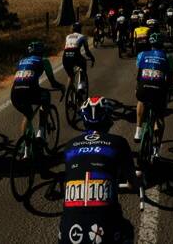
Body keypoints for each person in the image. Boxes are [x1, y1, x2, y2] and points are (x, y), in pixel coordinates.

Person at [59, 96, 139, 244]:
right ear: (108, 119)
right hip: (104, 232)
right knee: (127, 229)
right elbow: (133, 184)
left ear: (84, 120)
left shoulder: (69, 145)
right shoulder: (119, 142)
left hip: (68, 234)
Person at [12, 41, 65, 137]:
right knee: (46, 96)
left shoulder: (21, 61)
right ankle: (41, 131)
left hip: (15, 93)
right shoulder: (43, 61)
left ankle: (25, 144)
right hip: (30, 90)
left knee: (28, 115)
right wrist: (61, 87)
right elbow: (53, 83)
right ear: (41, 51)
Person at [133, 33, 173, 143]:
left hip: (143, 87)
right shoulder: (168, 57)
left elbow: (139, 74)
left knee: (141, 101)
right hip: (159, 90)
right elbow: (170, 79)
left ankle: (138, 131)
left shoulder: (141, 54)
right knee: (159, 116)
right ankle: (157, 145)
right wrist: (168, 93)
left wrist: (137, 88)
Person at [63, 22, 96, 93]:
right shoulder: (82, 37)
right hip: (75, 55)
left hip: (65, 56)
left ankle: (70, 88)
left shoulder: (68, 36)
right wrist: (92, 58)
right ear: (80, 29)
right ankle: (81, 85)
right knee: (83, 64)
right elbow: (87, 52)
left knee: (70, 75)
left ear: (73, 29)